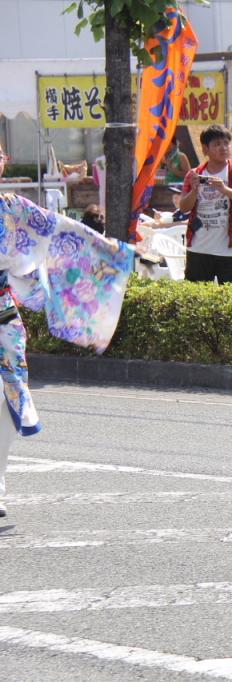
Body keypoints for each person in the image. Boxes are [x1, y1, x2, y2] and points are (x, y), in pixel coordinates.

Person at [0, 145, 134, 519]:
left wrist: (107, 250)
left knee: (9, 398)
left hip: (3, 318)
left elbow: (60, 231)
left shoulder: (14, 209)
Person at [179, 124, 232, 284]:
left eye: (226, 143)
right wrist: (194, 190)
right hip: (199, 247)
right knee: (196, 300)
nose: (223, 148)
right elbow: (183, 207)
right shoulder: (194, 174)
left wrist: (225, 189)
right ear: (205, 149)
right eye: (217, 144)